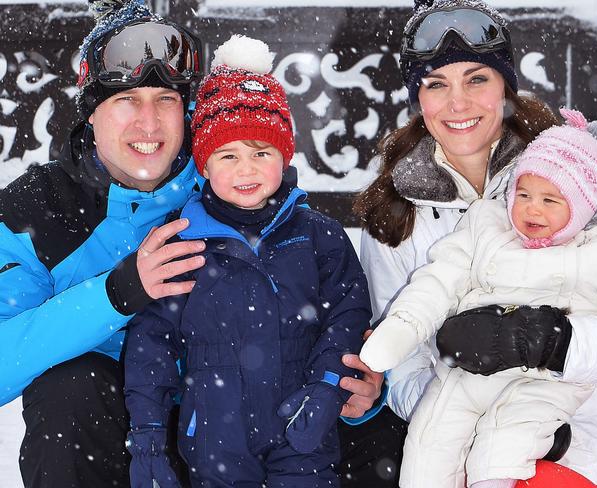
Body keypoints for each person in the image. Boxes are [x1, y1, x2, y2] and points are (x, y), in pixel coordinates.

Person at [0, 2, 380, 487]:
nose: (149, 123)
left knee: (376, 428)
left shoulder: (228, 178)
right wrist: (115, 295)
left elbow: (318, 294)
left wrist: (359, 387)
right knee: (68, 390)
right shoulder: (38, 210)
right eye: (125, 100)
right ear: (91, 112)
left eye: (165, 99)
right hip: (124, 430)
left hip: (244, 418)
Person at [353, 1, 597, 487]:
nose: (458, 104)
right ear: (417, 98)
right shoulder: (394, 214)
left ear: (505, 86)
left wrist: (551, 343)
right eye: (436, 84)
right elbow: (402, 367)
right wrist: (463, 397)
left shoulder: (570, 175)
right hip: (453, 448)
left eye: (476, 79)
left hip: (578, 443)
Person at [123, 35, 372, 488]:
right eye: (228, 155)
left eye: (262, 153)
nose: (246, 169)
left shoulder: (317, 234)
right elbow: (151, 345)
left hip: (303, 431)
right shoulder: (181, 242)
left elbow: (349, 314)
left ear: (284, 157)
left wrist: (327, 384)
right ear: (204, 164)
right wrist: (149, 438)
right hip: (214, 441)